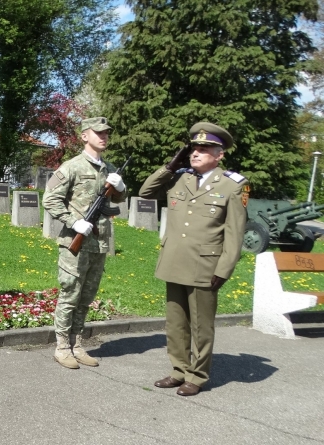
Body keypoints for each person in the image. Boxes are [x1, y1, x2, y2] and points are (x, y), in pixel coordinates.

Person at [139, 122, 248, 396]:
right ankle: (179, 370)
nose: (195, 153)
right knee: (175, 323)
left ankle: (196, 376)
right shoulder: (180, 178)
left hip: (205, 266)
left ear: (219, 154)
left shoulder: (232, 186)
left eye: (204, 149)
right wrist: (170, 166)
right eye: (194, 148)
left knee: (201, 326)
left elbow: (235, 233)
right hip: (174, 261)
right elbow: (145, 192)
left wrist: (224, 269)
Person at [42, 117, 127, 369]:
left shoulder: (110, 168)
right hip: (75, 242)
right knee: (70, 294)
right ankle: (61, 347)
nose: (104, 137)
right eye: (98, 133)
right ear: (84, 136)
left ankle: (77, 344)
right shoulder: (72, 167)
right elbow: (50, 199)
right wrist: (73, 221)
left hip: (99, 243)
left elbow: (118, 200)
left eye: (106, 133)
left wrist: (121, 188)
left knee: (86, 297)